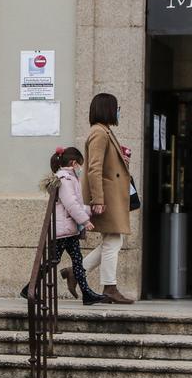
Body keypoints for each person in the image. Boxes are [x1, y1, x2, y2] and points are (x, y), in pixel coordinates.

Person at [80, 93, 136, 304]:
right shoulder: (99, 133)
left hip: (110, 196)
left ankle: (76, 272)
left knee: (112, 240)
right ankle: (109, 287)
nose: (118, 112)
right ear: (108, 109)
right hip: (106, 197)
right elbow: (94, 169)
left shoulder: (104, 131)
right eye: (117, 108)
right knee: (113, 241)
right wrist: (98, 199)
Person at [42, 147, 110, 306]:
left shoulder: (70, 178)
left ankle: (87, 294)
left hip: (68, 230)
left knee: (77, 262)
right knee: (52, 261)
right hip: (63, 231)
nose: (81, 168)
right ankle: (29, 288)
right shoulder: (65, 179)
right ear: (73, 163)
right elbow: (71, 205)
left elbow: (76, 204)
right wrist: (85, 221)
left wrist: (90, 210)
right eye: (80, 165)